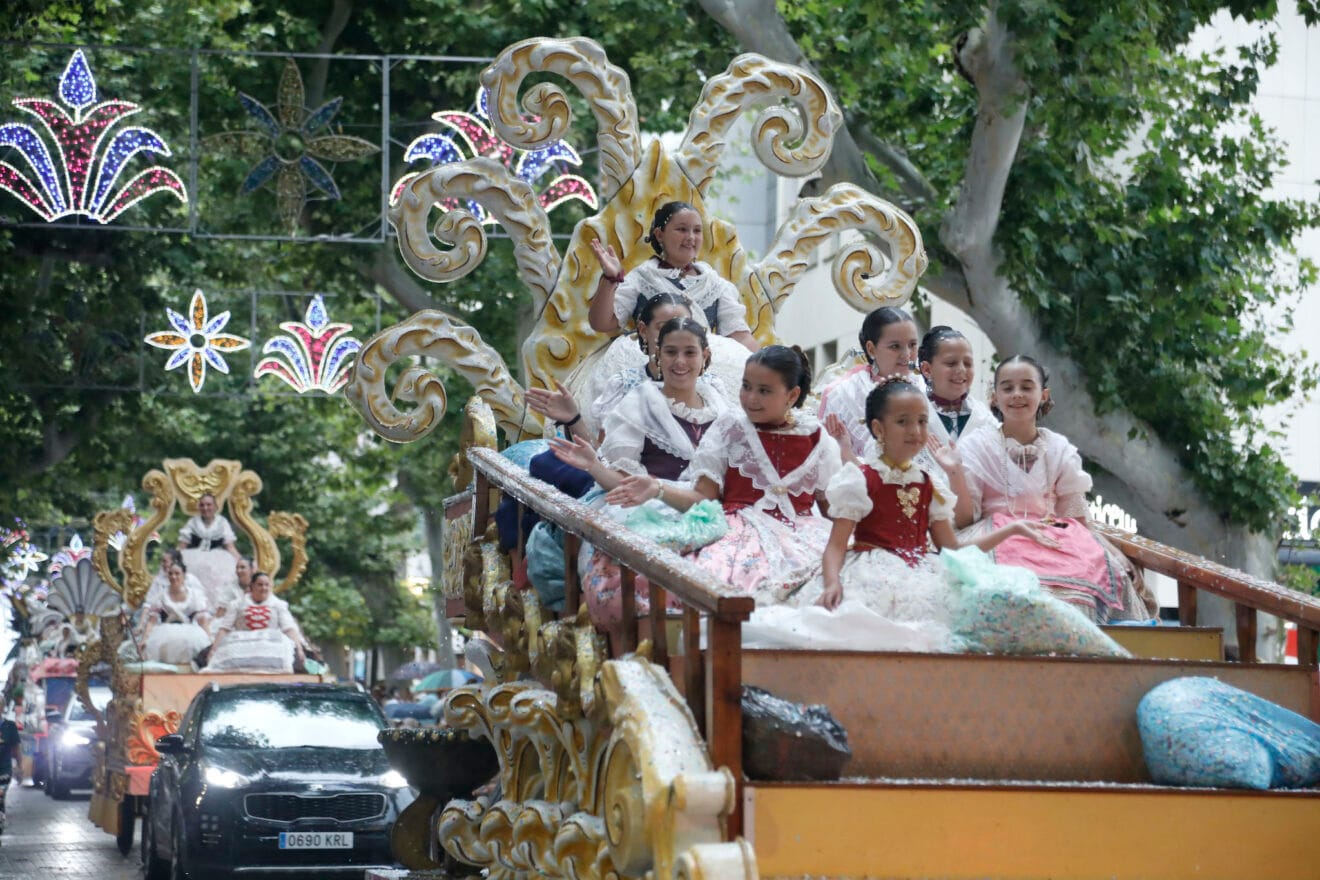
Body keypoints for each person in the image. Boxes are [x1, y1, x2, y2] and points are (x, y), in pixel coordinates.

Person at [744, 377, 1127, 657]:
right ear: (878, 428)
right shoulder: (860, 478)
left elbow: (952, 548)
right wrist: (831, 583)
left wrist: (1010, 529)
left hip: (924, 569)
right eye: (903, 422)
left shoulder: (929, 481)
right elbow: (835, 546)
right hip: (871, 566)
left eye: (922, 421)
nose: (915, 431)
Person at [608, 345, 841, 600]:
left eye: (764, 391)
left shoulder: (818, 438)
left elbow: (833, 509)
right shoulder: (730, 429)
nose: (751, 398)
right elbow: (703, 497)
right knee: (712, 585)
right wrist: (658, 489)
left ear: (792, 395)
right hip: (738, 533)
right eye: (746, 386)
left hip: (806, 534)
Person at [549, 317, 729, 626]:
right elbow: (622, 483)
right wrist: (594, 465)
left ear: (705, 357)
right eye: (671, 352)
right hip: (644, 505)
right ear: (657, 354)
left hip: (708, 506)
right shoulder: (638, 403)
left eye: (690, 352)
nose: (680, 361)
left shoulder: (722, 407)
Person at [950, 356, 1156, 623]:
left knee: (1103, 570)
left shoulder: (1058, 447)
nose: (1017, 395)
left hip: (1051, 534)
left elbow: (1077, 517)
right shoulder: (976, 446)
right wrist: (954, 473)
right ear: (994, 396)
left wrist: (1112, 551)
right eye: (1007, 388)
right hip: (996, 533)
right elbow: (966, 520)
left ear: (1043, 394)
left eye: (1026, 387)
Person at [587, 201, 759, 351]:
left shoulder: (714, 284)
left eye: (697, 231)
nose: (691, 237)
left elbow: (740, 337)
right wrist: (610, 278)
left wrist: (771, 364)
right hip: (646, 365)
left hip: (703, 365)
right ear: (659, 234)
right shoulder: (642, 278)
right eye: (682, 229)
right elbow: (602, 324)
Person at [818, 307, 921, 458]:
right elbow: (827, 458)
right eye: (895, 346)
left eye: (912, 345)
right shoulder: (841, 395)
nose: (907, 355)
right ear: (871, 349)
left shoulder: (928, 386)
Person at [206, 571, 305, 673]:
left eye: (267, 585)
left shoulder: (278, 605)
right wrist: (214, 650)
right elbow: (225, 628)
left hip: (270, 644)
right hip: (241, 644)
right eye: (260, 585)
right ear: (252, 586)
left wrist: (299, 649)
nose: (264, 588)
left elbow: (288, 628)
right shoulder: (236, 604)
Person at [177, 494, 242, 614]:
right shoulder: (192, 522)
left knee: (221, 578)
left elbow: (230, 547)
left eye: (208, 505)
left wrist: (241, 560)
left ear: (216, 507)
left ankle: (218, 612)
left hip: (218, 560)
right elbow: (182, 546)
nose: (205, 508)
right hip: (193, 559)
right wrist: (173, 560)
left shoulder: (222, 522)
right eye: (202, 505)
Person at [142, 560, 213, 665]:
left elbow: (202, 621)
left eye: (177, 574)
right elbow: (152, 621)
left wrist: (210, 639)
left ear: (184, 575)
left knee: (193, 642)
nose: (173, 577)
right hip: (165, 631)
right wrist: (145, 638)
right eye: (170, 574)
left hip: (190, 631)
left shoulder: (194, 595)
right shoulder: (161, 595)